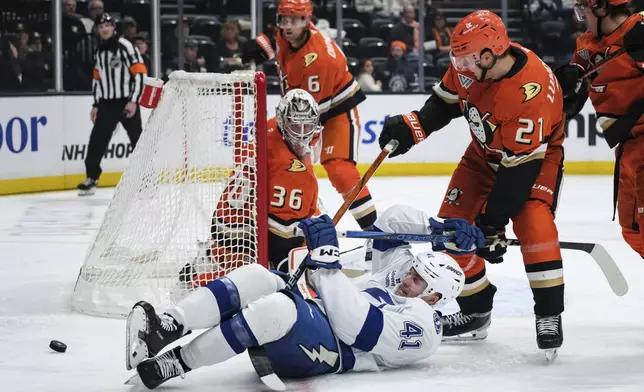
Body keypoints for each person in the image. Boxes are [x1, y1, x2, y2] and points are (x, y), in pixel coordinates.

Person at [124, 204, 482, 389]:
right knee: (257, 276)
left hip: (331, 352)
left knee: (275, 309)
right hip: (318, 316)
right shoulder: (406, 276)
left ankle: (178, 363)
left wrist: (327, 262)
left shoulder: (423, 330)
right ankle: (168, 325)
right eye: (412, 271)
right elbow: (390, 221)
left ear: (435, 298)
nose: (406, 278)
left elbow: (355, 327)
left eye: (419, 281)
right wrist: (437, 227)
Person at [378, 10, 566, 358]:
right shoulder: (473, 65)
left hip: (534, 162)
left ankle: (549, 313)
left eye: (464, 57)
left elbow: (518, 172)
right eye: (457, 56)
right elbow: (445, 103)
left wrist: (492, 224)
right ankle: (477, 309)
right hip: (482, 156)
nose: (458, 64)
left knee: (534, 224)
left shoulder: (529, 92)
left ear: (489, 54)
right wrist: (413, 126)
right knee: (451, 232)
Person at [244, 0, 376, 230]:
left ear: (307, 21)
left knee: (338, 167)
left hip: (335, 110)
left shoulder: (320, 60)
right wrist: (259, 45)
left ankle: (374, 231)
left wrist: (303, 151)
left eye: (294, 20)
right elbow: (272, 40)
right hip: (299, 109)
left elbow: (310, 117)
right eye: (283, 19)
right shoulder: (287, 34)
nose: (286, 26)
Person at [181, 89, 322, 288]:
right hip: (244, 238)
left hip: (227, 225)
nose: (301, 133)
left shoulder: (271, 129)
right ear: (283, 121)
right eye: (294, 126)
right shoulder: (289, 169)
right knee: (255, 285)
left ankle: (208, 258)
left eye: (307, 126)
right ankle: (203, 280)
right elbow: (282, 235)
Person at [557, 1, 644, 256]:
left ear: (601, 9)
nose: (581, 15)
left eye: (584, 8)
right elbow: (572, 94)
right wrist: (566, 79)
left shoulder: (638, 31)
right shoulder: (586, 44)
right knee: (633, 231)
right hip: (627, 148)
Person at [78, 13, 147, 196]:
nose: (104, 29)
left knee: (138, 141)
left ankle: (146, 179)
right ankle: (92, 177)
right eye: (100, 27)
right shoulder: (100, 51)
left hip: (126, 101)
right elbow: (97, 79)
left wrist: (133, 101)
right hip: (107, 104)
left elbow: (140, 74)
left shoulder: (126, 47)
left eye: (107, 25)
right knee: (97, 140)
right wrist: (96, 104)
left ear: (113, 27)